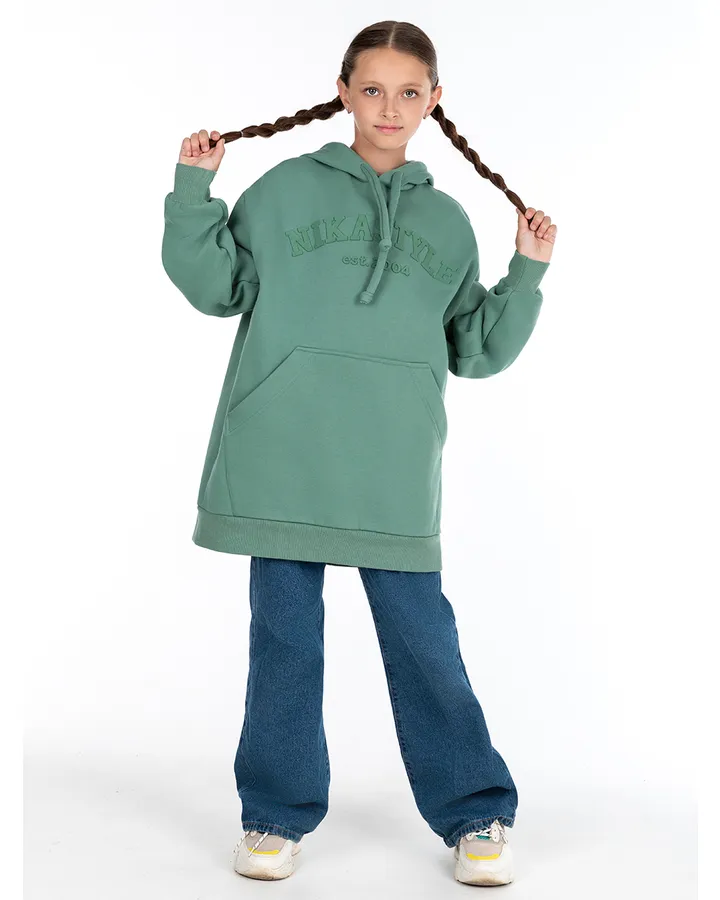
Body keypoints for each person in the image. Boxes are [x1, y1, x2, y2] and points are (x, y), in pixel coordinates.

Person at [161, 19, 556, 886]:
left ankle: (475, 813)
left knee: (424, 642)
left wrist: (526, 271)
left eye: (409, 92)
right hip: (282, 451)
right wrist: (194, 193)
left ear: (434, 101)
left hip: (393, 466)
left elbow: (477, 348)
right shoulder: (282, 191)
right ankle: (274, 818)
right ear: (343, 91)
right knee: (285, 643)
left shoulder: (449, 223)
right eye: (372, 89)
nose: (389, 108)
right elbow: (218, 286)